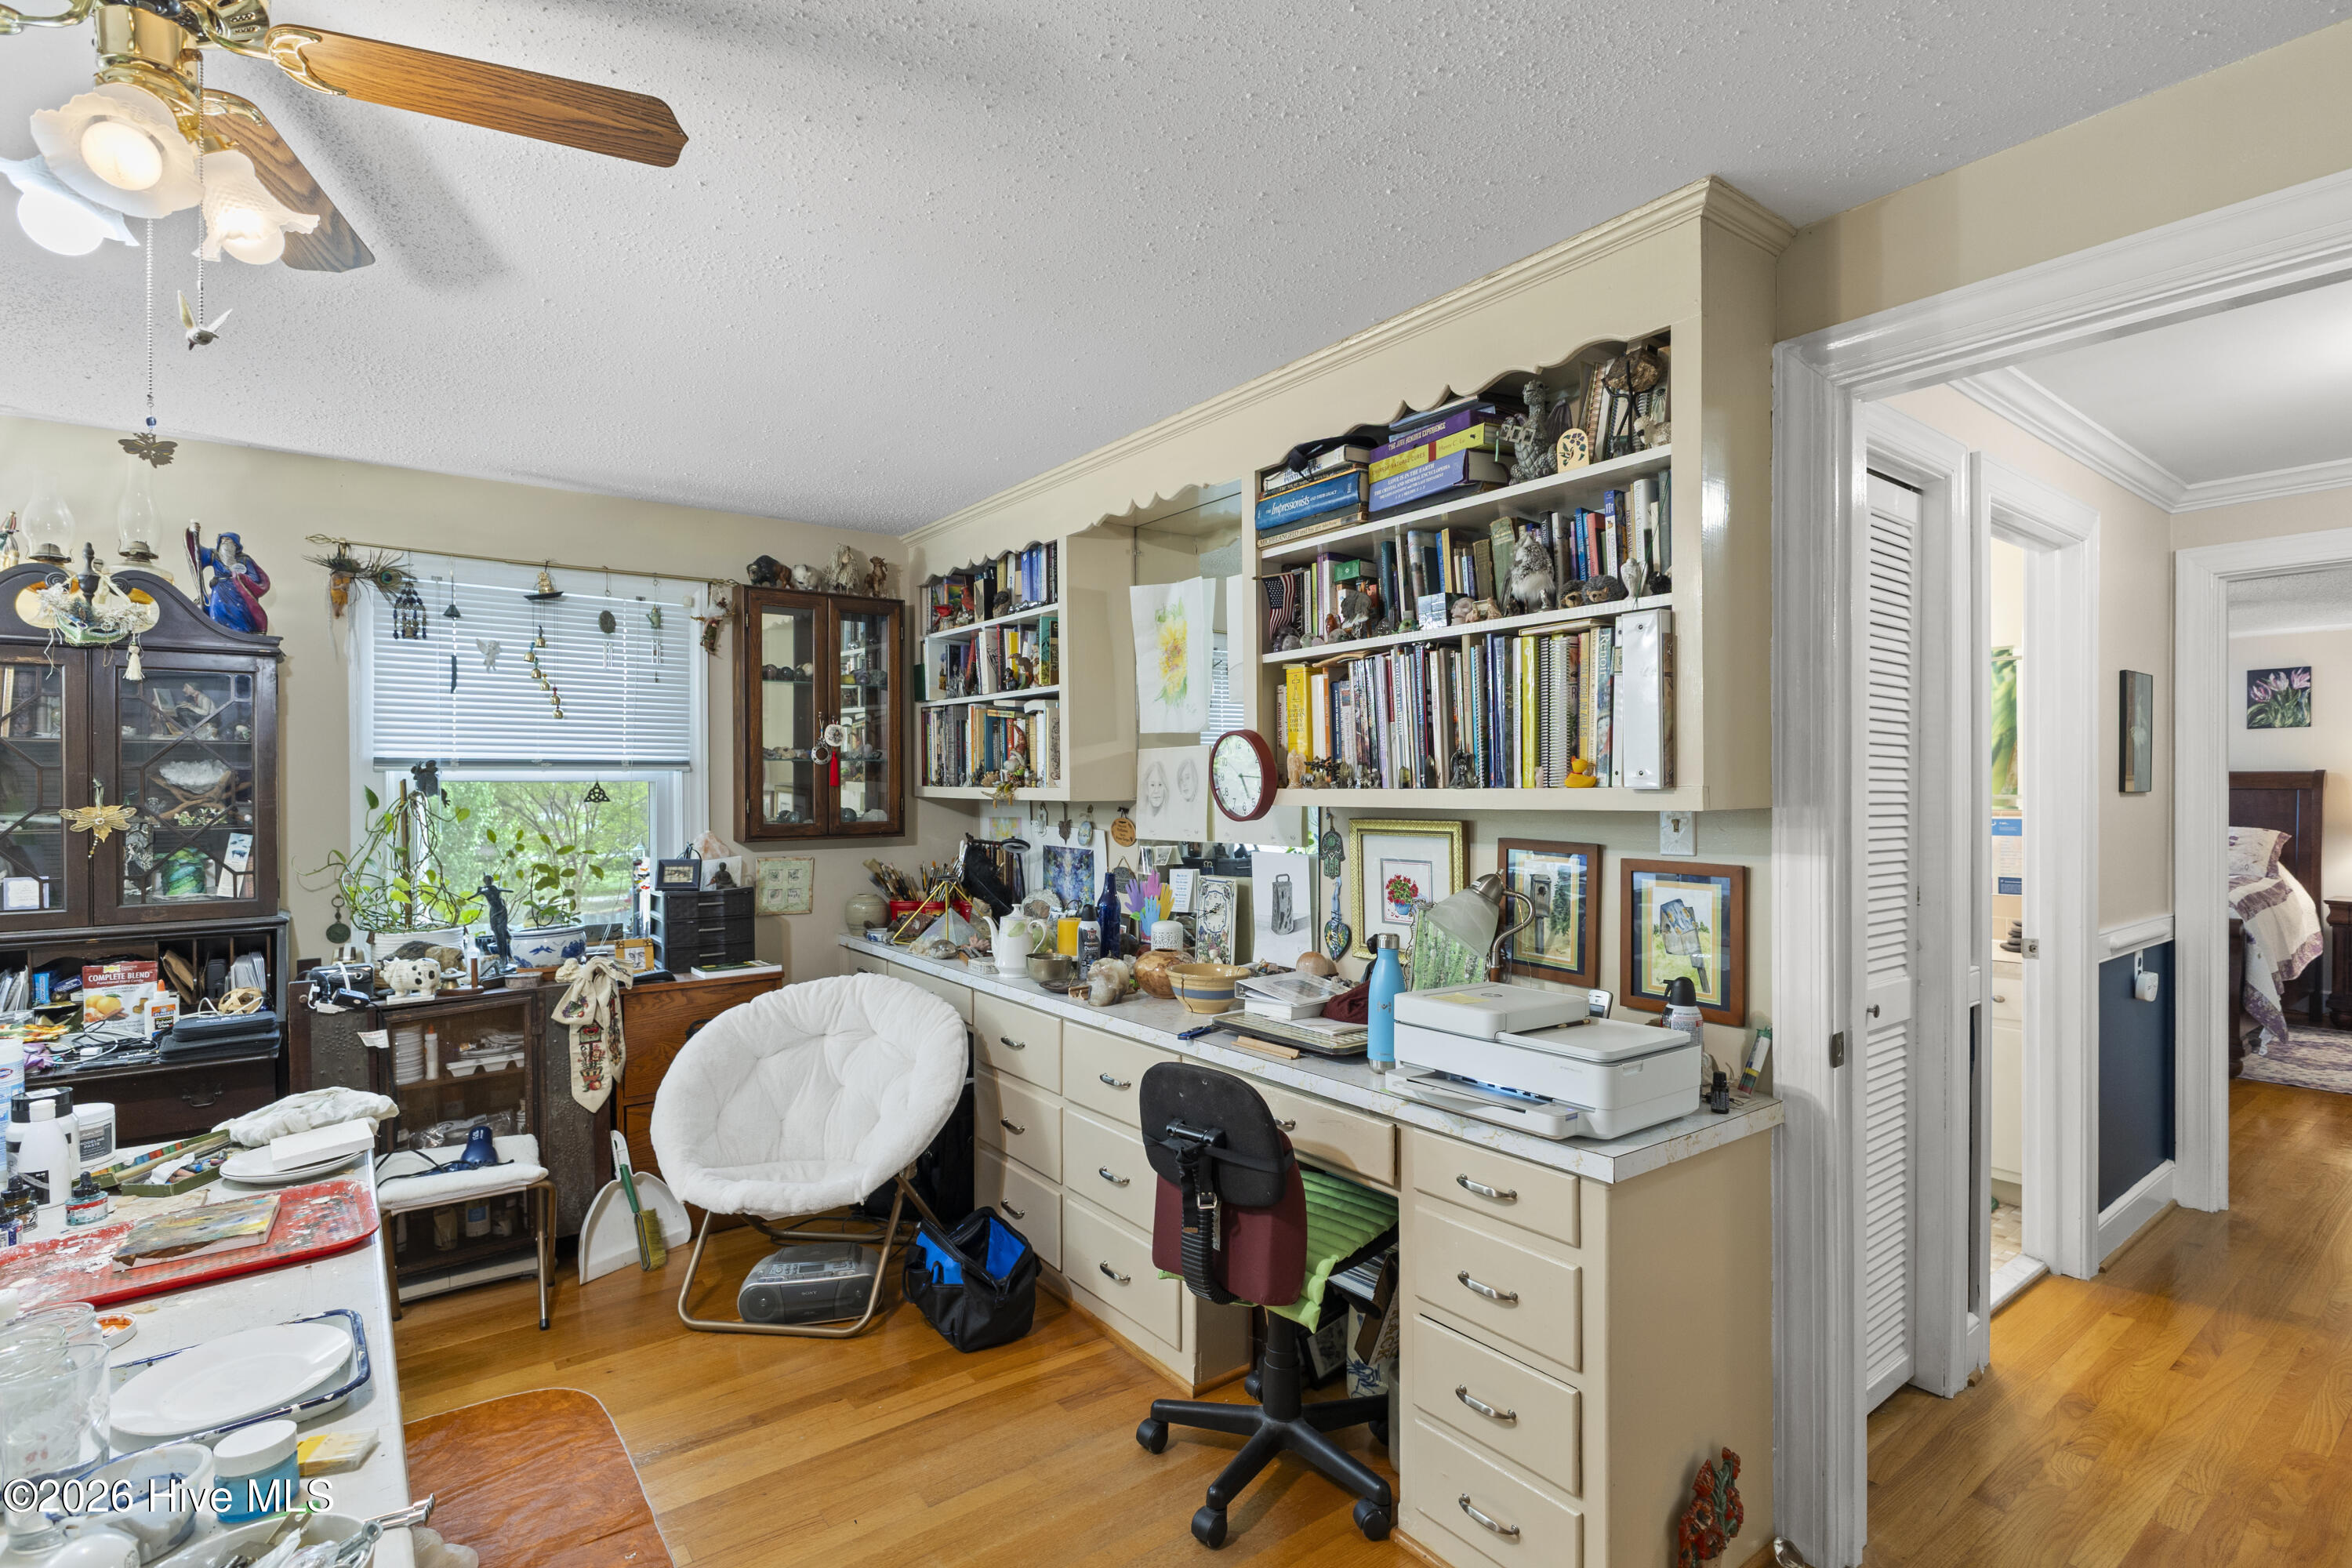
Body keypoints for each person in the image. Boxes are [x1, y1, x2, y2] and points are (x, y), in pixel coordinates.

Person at [185, 528, 270, 634]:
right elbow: (197, 553)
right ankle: (219, 636)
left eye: (228, 540)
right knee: (217, 614)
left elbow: (255, 578)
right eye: (222, 540)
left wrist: (239, 577)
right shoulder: (215, 556)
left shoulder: (244, 559)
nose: (224, 542)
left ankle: (241, 637)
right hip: (220, 591)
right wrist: (194, 535)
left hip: (237, 593)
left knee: (238, 615)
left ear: (235, 544)